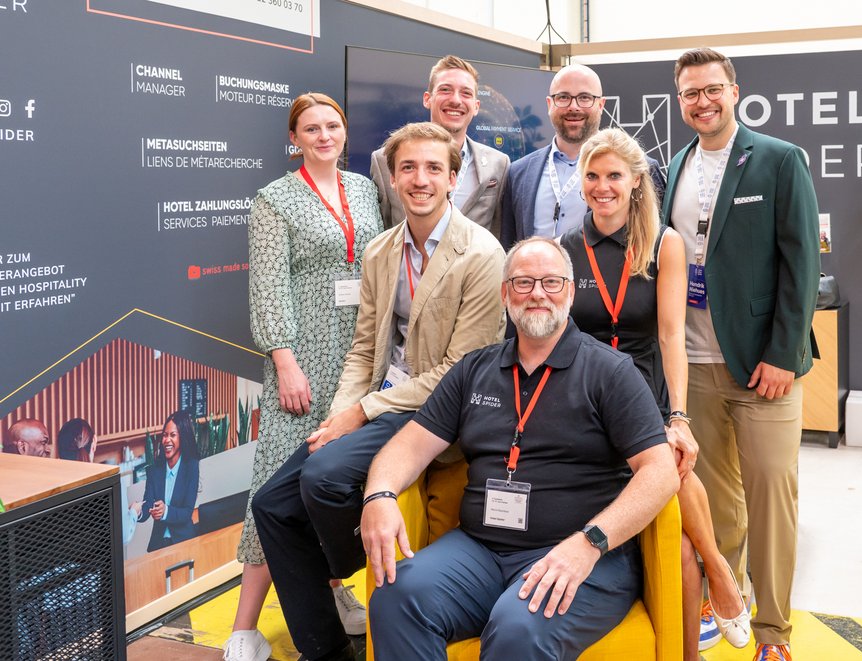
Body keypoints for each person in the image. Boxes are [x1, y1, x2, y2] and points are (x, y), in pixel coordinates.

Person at [251, 121, 506, 661]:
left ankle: (338, 568)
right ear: (391, 179)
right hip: (382, 398)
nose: (420, 179)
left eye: (433, 168)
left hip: (439, 410)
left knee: (322, 477)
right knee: (271, 504)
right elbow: (365, 348)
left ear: (453, 178)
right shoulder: (380, 250)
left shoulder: (483, 254)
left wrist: (364, 412)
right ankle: (326, 649)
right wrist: (339, 415)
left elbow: (462, 371)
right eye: (408, 168)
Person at [361, 237, 680, 659]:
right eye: (523, 282)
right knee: (396, 596)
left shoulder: (611, 372)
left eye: (551, 282)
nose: (537, 294)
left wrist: (589, 543)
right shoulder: (474, 369)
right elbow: (409, 445)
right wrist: (379, 494)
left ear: (570, 291)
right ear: (504, 294)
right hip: (479, 552)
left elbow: (660, 471)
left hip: (581, 554)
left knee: (518, 629)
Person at [560, 127, 750, 659]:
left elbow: (671, 335)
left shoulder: (664, 243)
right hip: (587, 390)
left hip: (644, 386)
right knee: (664, 476)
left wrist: (679, 416)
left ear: (636, 182)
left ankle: (717, 571)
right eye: (592, 176)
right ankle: (720, 572)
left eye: (614, 176)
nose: (602, 187)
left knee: (672, 457)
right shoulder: (565, 247)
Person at [663, 48, 821, 661]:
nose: (701, 102)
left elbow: (802, 264)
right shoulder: (674, 166)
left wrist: (783, 352)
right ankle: (726, 599)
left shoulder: (779, 159)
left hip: (762, 365)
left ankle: (774, 631)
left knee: (771, 496)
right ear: (680, 100)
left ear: (734, 91)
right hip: (695, 363)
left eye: (712, 89)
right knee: (714, 497)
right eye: (690, 93)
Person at [223, 92, 384, 661]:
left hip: (359, 358)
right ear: (294, 139)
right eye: (310, 129)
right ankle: (244, 628)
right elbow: (267, 286)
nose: (323, 136)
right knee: (275, 489)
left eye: (332, 126)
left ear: (345, 132)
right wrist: (284, 360)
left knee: (331, 488)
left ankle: (331, 590)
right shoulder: (275, 199)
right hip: (302, 363)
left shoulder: (365, 190)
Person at [500, 64, 665, 250]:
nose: (574, 107)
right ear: (549, 104)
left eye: (585, 97)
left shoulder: (643, 170)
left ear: (601, 105)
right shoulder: (519, 173)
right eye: (563, 97)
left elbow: (654, 243)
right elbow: (509, 248)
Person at [370, 54, 510, 236]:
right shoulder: (384, 160)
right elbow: (384, 233)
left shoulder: (498, 164)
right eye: (445, 90)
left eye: (466, 93)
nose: (456, 100)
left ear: (476, 106)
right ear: (427, 99)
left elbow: (499, 233)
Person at [134, 411, 201, 553]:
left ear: (182, 437)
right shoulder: (154, 470)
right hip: (158, 545)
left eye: (173, 435)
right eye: (165, 435)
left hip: (184, 543)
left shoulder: (191, 467)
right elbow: (148, 505)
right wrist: (137, 512)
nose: (167, 440)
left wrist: (165, 512)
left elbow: (187, 512)